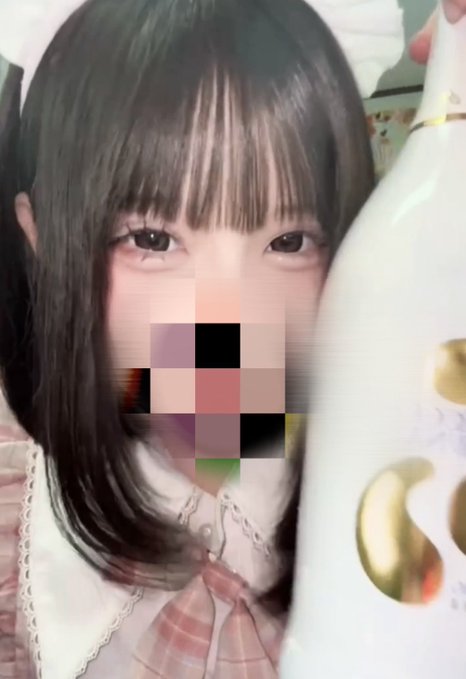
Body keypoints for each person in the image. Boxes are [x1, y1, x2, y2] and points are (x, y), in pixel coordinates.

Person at [0, 0, 459, 677]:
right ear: (42, 239)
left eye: (289, 241)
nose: (229, 319)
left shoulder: (416, 465)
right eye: (152, 239)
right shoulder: (15, 517)